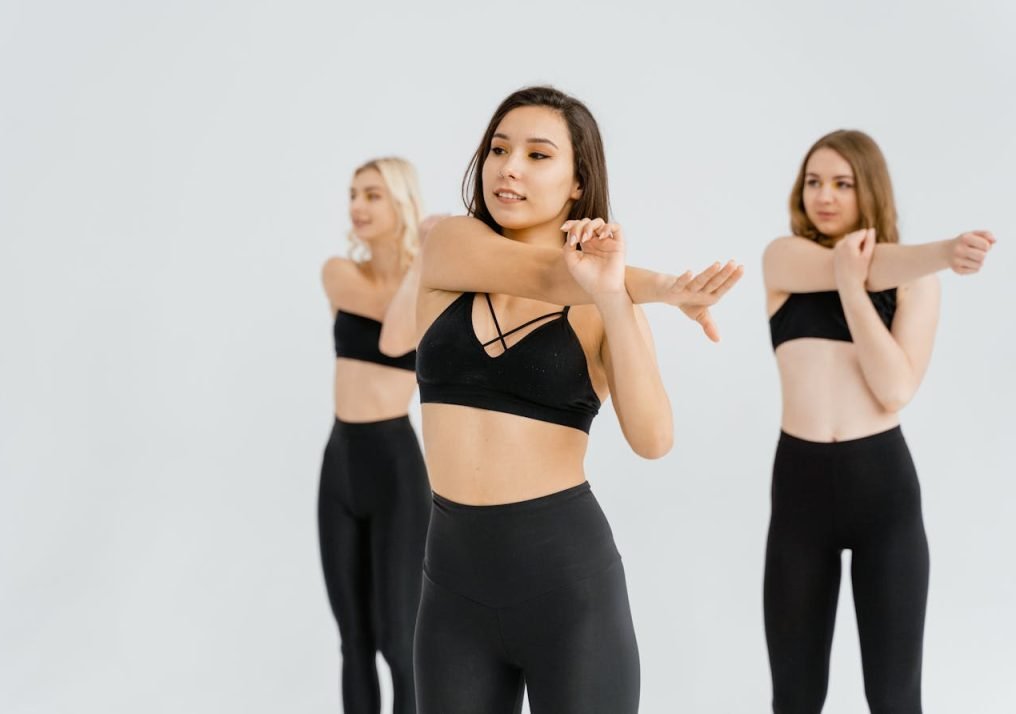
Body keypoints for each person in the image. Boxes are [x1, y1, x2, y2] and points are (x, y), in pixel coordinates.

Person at [410, 85, 743, 714]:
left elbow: (653, 440)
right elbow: (541, 272)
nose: (508, 167)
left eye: (538, 155)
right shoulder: (449, 249)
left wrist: (617, 297)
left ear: (576, 182)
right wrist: (667, 287)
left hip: (568, 592)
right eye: (498, 149)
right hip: (452, 593)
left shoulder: (607, 303)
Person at [761, 129, 995, 713]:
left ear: (870, 189)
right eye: (814, 181)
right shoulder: (784, 259)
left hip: (882, 489)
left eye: (843, 183)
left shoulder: (916, 281)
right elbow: (862, 265)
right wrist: (939, 251)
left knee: (893, 697)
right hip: (800, 492)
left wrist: (851, 285)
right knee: (795, 696)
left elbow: (894, 388)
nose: (826, 196)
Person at [317, 157, 433, 714]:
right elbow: (392, 324)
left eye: (373, 195)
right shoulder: (340, 272)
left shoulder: (432, 282)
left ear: (402, 204)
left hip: (396, 468)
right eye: (353, 194)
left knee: (397, 641)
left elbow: (393, 343)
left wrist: (426, 263)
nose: (357, 206)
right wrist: (425, 266)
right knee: (354, 642)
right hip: (340, 464)